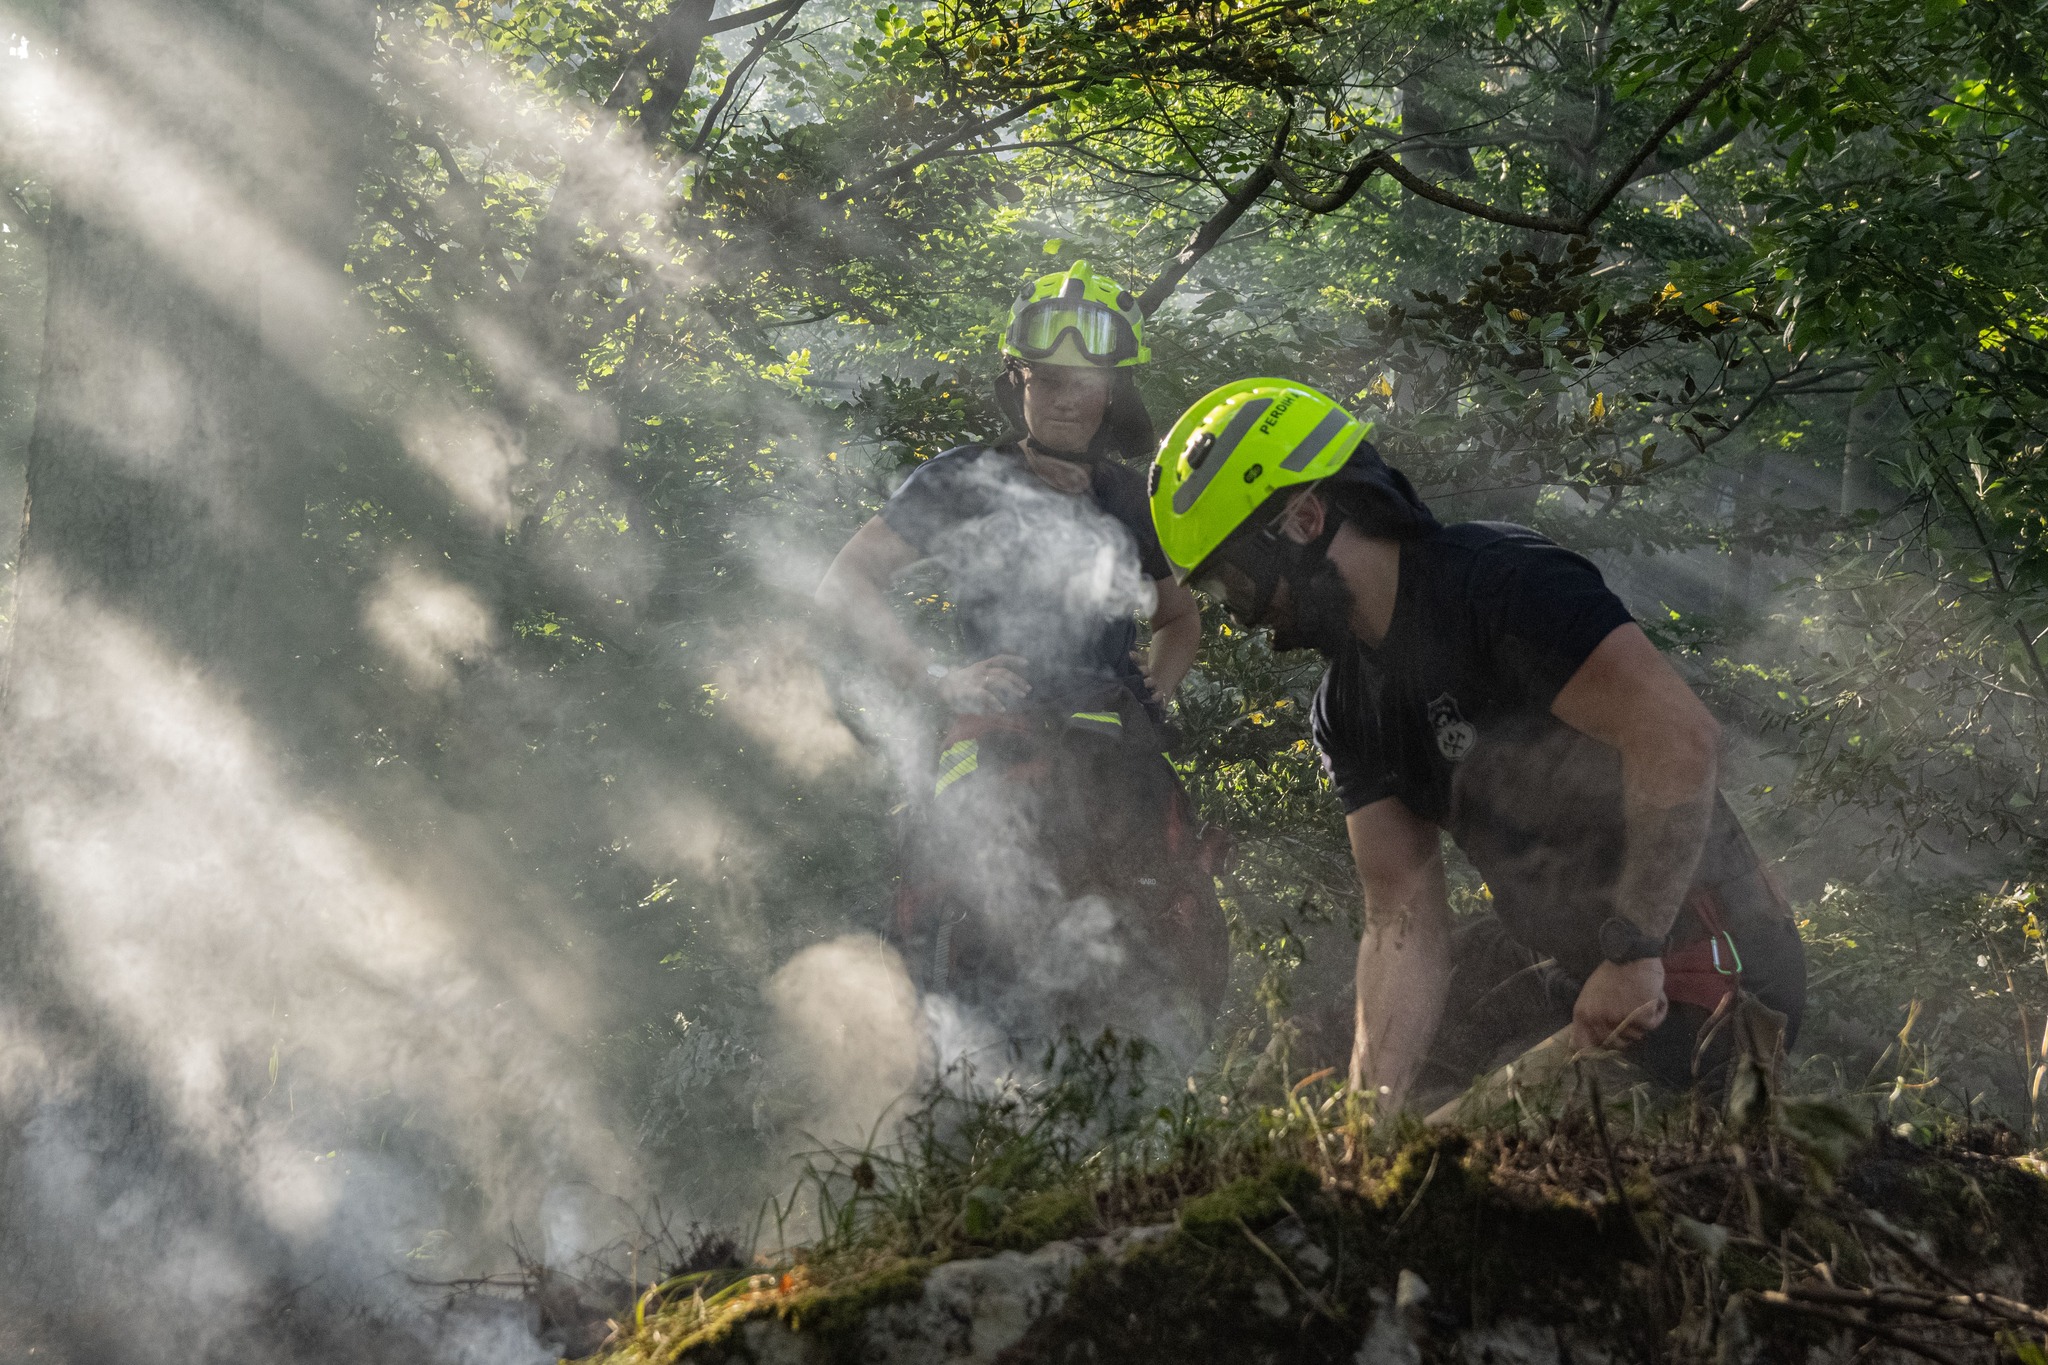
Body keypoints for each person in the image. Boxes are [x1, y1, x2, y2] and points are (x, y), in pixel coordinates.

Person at [1146, 378, 1806, 1107]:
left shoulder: (1503, 586)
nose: (1243, 617)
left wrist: (1635, 949)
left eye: (1238, 583)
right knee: (1309, 1073)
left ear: (1305, 519)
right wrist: (1371, 1117)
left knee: (1508, 1149)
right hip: (1575, 964)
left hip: (1703, 963)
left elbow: (1678, 742)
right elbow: (1401, 914)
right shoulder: (1347, 704)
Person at [817, 261, 1230, 1058]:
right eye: (1048, 379)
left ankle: (1144, 1126)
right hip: (997, 753)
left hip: (1118, 764)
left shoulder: (1129, 499)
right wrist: (935, 677)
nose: (1066, 395)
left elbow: (1180, 617)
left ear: (1112, 388)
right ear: (1019, 382)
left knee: (1150, 944)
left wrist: (1152, 691)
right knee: (968, 943)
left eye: (1085, 379)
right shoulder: (967, 481)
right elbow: (848, 582)